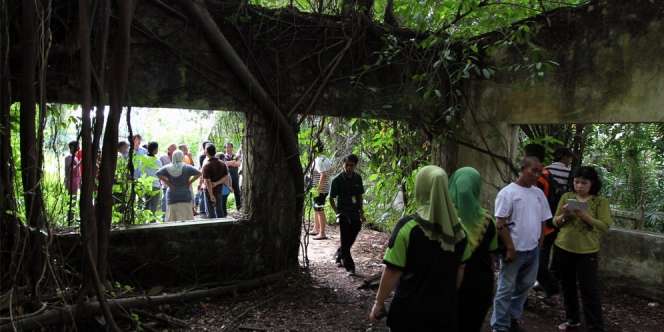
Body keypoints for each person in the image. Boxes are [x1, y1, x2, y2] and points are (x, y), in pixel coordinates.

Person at [369, 165, 466, 331]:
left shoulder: (408, 227)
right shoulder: (458, 231)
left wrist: (379, 302)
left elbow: (393, 271)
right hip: (444, 314)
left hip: (409, 313)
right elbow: (460, 270)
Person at [491, 156, 552, 332]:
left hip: (532, 250)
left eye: (539, 171)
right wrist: (510, 247)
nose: (536, 175)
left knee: (526, 285)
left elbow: (543, 219)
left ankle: (512, 318)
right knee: (505, 288)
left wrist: (540, 242)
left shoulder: (538, 193)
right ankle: (500, 326)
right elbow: (500, 222)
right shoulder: (508, 193)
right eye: (533, 170)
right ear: (522, 169)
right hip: (514, 250)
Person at [552, 166, 612, 332]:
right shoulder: (567, 197)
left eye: (584, 183)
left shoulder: (600, 202)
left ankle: (595, 326)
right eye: (576, 182)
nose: (579, 186)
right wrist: (565, 216)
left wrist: (585, 216)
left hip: (587, 252)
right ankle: (572, 320)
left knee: (589, 289)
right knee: (567, 286)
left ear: (592, 184)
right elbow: (554, 222)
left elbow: (605, 226)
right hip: (563, 247)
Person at [449, 167, 499, 332]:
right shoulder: (488, 221)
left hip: (448, 284)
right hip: (480, 285)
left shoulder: (444, 219)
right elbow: (492, 257)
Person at [329, 154, 365, 275]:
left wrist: (362, 212)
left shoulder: (357, 178)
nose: (349, 167)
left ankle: (340, 254)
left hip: (354, 211)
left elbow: (359, 196)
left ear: (355, 166)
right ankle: (350, 266)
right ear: (343, 165)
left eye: (351, 165)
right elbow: (331, 198)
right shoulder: (337, 180)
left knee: (354, 233)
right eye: (347, 165)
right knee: (345, 239)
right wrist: (337, 212)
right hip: (343, 212)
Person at [156, 150, 201, 222]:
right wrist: (190, 182)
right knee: (187, 220)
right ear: (182, 157)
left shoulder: (167, 168)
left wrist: (168, 183)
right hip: (185, 195)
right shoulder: (187, 167)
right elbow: (199, 173)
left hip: (172, 196)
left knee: (172, 219)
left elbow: (158, 173)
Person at [201, 144, 232, 218]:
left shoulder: (206, 165)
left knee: (210, 211)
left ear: (207, 152)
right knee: (219, 210)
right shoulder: (222, 163)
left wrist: (211, 195)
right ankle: (221, 227)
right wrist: (216, 183)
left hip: (209, 191)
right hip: (219, 189)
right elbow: (226, 177)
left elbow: (208, 182)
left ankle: (212, 228)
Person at [310, 156, 333, 240]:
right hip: (322, 188)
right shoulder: (325, 159)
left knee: (319, 209)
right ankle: (316, 229)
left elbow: (323, 175)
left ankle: (322, 233)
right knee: (316, 208)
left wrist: (318, 189)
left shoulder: (319, 160)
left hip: (320, 190)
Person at [219, 142, 242, 209]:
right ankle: (223, 210)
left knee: (237, 192)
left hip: (235, 176)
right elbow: (223, 164)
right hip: (226, 177)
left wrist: (229, 163)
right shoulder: (222, 156)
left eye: (229, 147)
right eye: (226, 147)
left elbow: (238, 164)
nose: (228, 149)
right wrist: (232, 162)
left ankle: (239, 208)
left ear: (232, 148)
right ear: (225, 148)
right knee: (225, 193)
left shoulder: (236, 156)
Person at [143, 142, 162, 213]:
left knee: (146, 205)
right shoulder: (157, 161)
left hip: (145, 185)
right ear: (155, 149)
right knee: (153, 207)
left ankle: (144, 222)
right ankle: (152, 222)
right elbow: (160, 174)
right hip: (155, 185)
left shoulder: (143, 158)